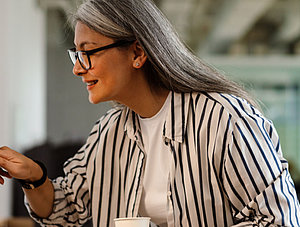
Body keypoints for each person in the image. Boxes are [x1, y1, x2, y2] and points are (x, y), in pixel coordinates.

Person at [0, 0, 300, 226]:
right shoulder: (109, 132)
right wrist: (34, 177)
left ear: (137, 53)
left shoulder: (227, 120)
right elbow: (66, 212)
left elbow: (277, 220)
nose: (78, 67)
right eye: (76, 54)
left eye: (88, 52)